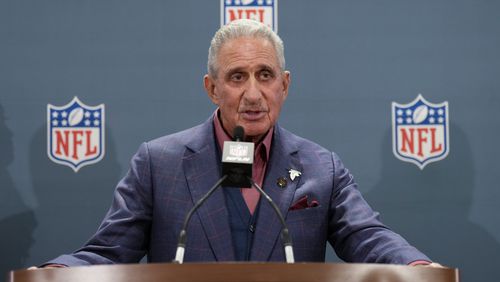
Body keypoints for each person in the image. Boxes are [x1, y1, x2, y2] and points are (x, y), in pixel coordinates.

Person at [42, 19, 434, 267]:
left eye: (265, 75)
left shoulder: (321, 167)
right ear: (212, 88)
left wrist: (415, 265)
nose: (252, 94)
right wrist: (56, 273)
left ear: (285, 84)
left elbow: (366, 236)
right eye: (236, 77)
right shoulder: (158, 164)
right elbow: (110, 252)